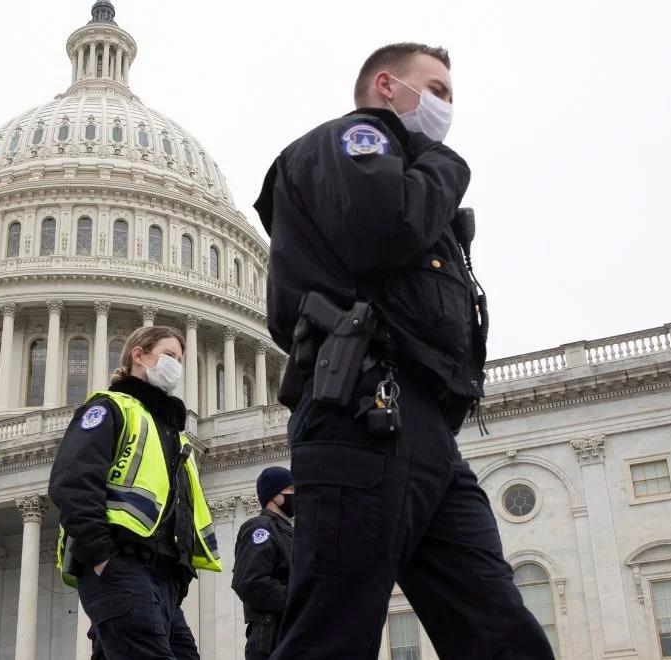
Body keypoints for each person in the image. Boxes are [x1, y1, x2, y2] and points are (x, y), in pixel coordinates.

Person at [253, 43, 555, 658]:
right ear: (387, 86)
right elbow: (384, 231)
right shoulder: (353, 141)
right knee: (332, 633)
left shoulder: (403, 167)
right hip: (363, 412)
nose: (446, 107)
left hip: (424, 430)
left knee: (498, 628)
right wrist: (445, 163)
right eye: (437, 90)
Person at [49, 325, 222, 659]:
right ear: (139, 355)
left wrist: (179, 578)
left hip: (163, 581)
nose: (176, 366)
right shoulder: (110, 408)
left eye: (180, 360)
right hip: (121, 566)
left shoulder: (175, 435)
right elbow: (72, 484)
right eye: (169, 355)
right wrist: (102, 559)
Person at [232, 467, 294, 660]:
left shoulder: (291, 533)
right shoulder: (260, 528)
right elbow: (250, 582)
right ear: (273, 495)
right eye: (291, 489)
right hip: (272, 639)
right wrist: (298, 599)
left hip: (293, 635)